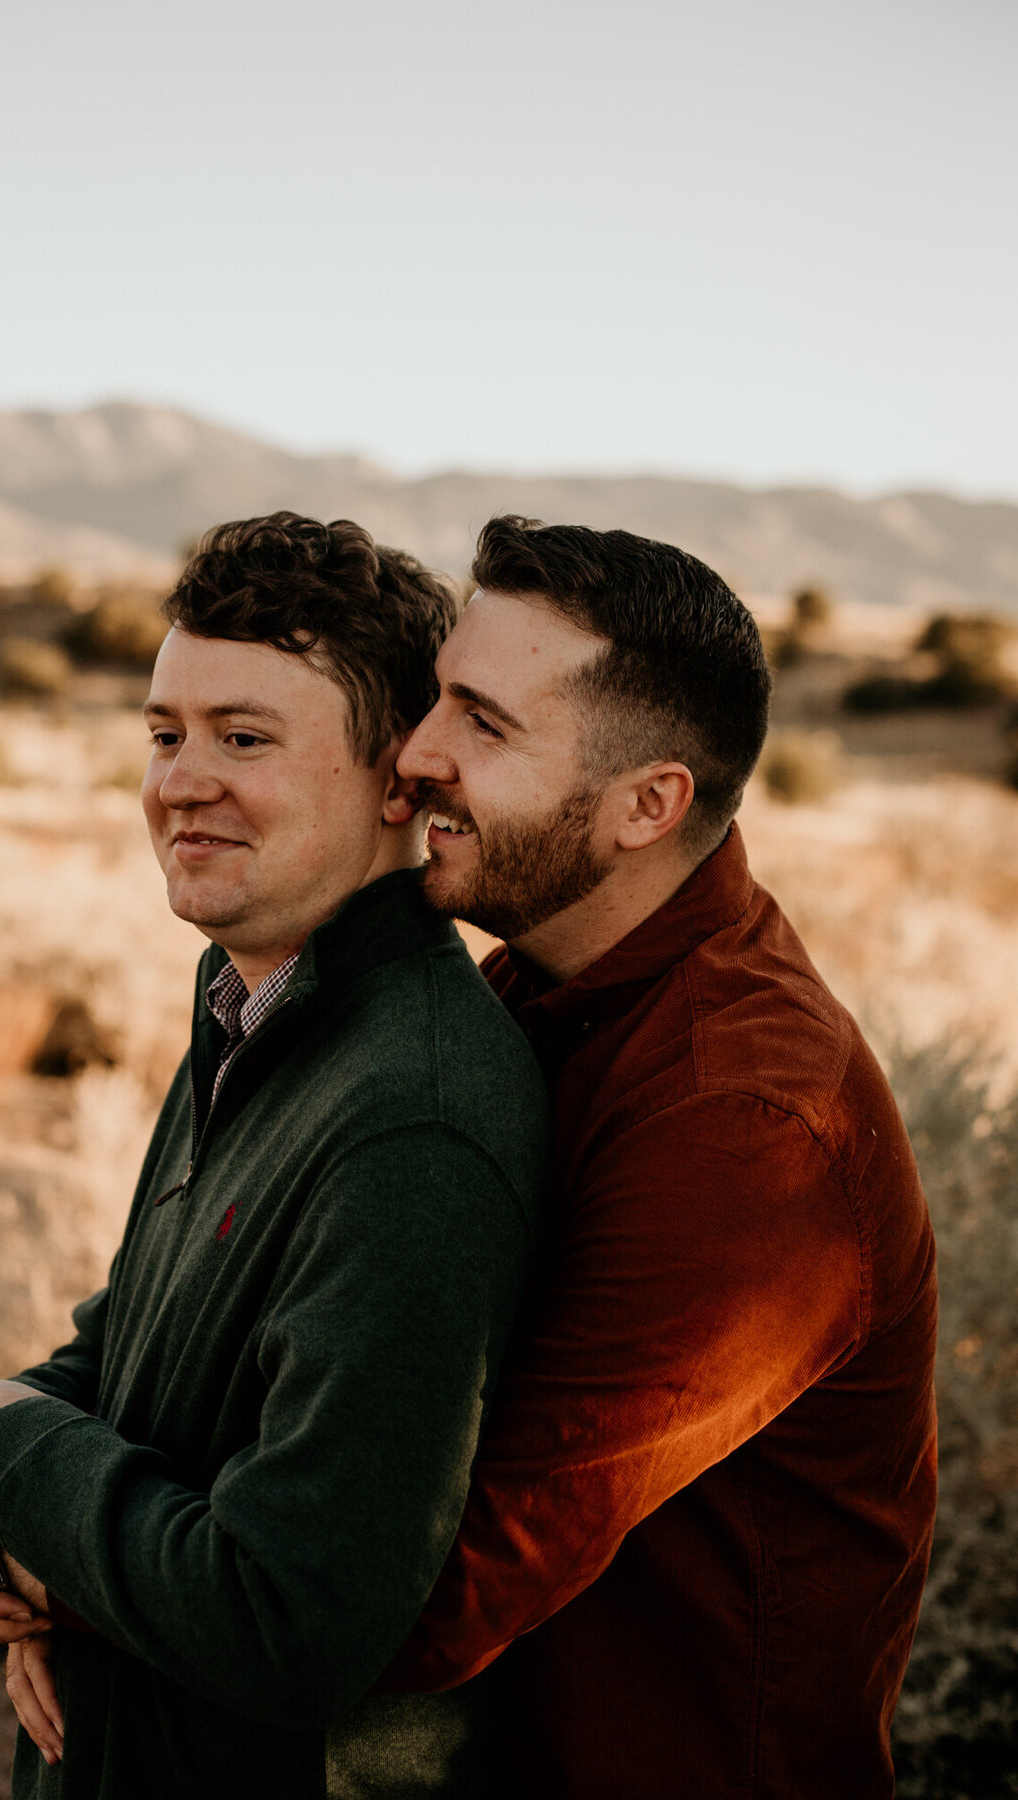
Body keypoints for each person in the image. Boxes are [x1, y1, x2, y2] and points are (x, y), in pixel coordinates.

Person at [0, 513, 548, 1800]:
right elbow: (141, 1344)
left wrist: (2, 1461)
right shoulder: (255, 1006)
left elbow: (286, 1615)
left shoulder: (413, 1118)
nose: (180, 780)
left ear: (396, 782)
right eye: (164, 734)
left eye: (243, 738)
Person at [386, 515, 938, 1800]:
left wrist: (66, 1563)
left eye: (483, 721)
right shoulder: (544, 985)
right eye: (435, 702)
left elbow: (452, 1584)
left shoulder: (749, 1121)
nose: (416, 757)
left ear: (649, 806)